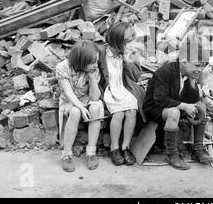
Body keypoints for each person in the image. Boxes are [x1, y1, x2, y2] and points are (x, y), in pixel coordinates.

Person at [143, 34, 213, 170]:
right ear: (185, 62)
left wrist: (192, 83)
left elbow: (193, 101)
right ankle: (171, 154)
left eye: (202, 66)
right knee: (174, 112)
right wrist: (184, 106)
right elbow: (160, 99)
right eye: (197, 65)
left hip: (173, 103)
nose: (200, 69)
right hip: (155, 108)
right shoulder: (166, 71)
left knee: (201, 106)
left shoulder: (189, 74)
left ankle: (197, 148)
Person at [98, 22, 146, 166]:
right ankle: (114, 148)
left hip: (124, 87)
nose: (129, 43)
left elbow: (136, 76)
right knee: (118, 113)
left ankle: (126, 147)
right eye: (126, 41)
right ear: (116, 40)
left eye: (130, 39)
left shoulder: (129, 53)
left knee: (131, 110)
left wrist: (128, 61)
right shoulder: (102, 53)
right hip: (109, 89)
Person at [56, 41, 104, 172]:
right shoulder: (63, 67)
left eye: (96, 61)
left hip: (86, 98)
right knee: (76, 112)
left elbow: (95, 97)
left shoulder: (93, 69)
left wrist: (92, 78)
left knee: (95, 108)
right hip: (69, 100)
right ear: (82, 61)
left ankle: (91, 152)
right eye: (92, 62)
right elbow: (68, 92)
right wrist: (82, 108)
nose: (95, 65)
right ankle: (66, 154)